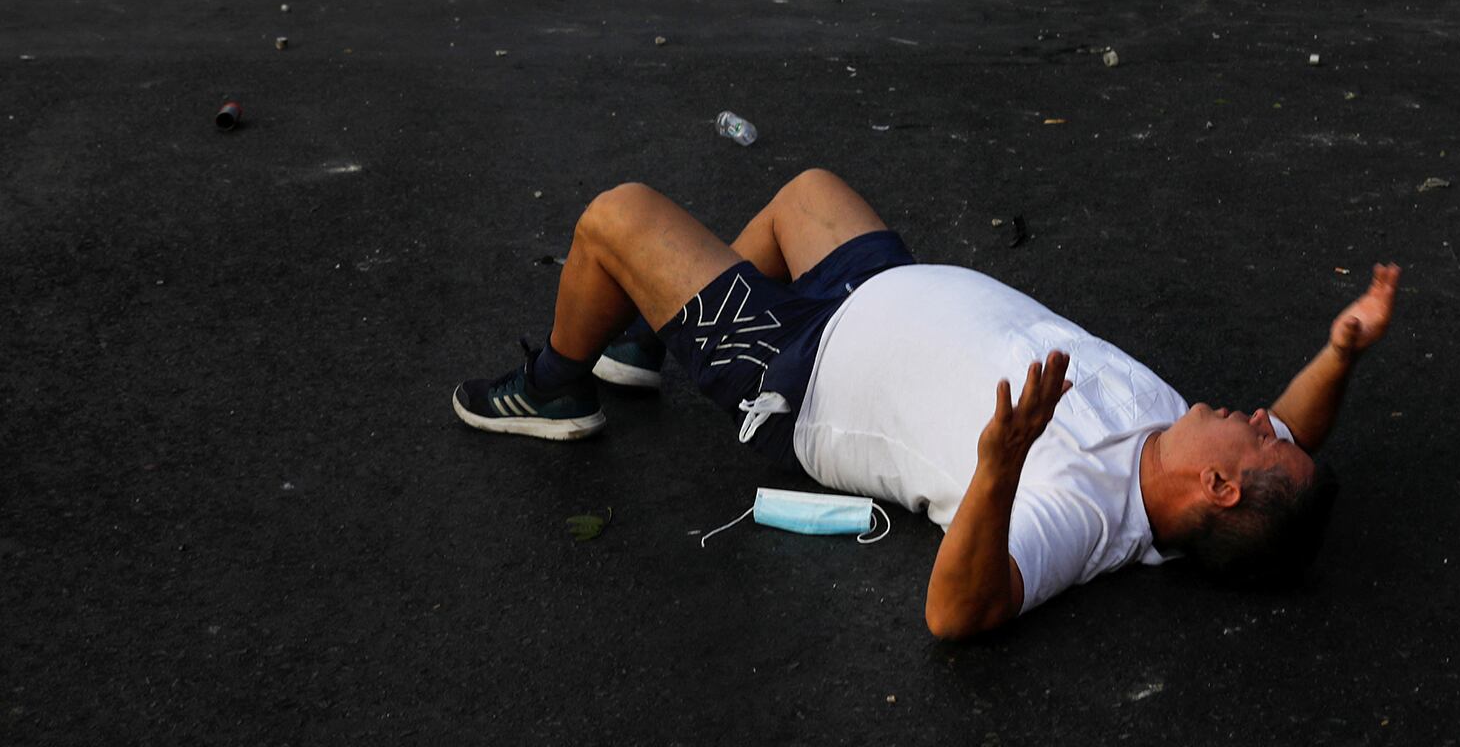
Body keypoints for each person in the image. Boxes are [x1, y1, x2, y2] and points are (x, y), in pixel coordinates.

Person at [452, 168, 1389, 634]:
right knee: (803, 194)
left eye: (1262, 438)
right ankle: (649, 336)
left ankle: (552, 390)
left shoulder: (1080, 514)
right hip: (874, 291)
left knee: (615, 215)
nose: (1263, 415)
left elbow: (957, 616)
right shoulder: (1184, 440)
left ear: (1221, 489)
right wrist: (1340, 349)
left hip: (802, 366)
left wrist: (997, 467)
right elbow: (1298, 433)